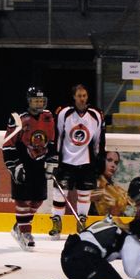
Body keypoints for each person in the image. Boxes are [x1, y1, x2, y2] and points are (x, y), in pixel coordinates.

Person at [2, 87, 56, 251]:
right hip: (22, 163)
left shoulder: (48, 117)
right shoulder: (19, 119)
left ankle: (19, 226)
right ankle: (26, 233)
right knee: (23, 199)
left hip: (39, 164)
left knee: (38, 199)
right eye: (35, 101)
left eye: (41, 101)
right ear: (29, 101)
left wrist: (52, 162)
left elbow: (52, 141)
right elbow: (8, 145)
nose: (39, 104)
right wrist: (14, 166)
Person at [49, 84, 105, 239]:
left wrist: (98, 159)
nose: (82, 99)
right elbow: (58, 135)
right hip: (66, 161)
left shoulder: (95, 115)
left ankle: (81, 222)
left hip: (86, 162)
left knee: (84, 194)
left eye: (84, 96)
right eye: (79, 96)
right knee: (59, 194)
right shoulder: (64, 113)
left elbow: (98, 140)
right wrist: (55, 157)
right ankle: (57, 222)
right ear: (74, 97)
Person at [90, 151, 133, 217]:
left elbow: (132, 208)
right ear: (101, 160)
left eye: (116, 163)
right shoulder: (89, 184)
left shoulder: (119, 191)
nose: (113, 165)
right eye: (109, 160)